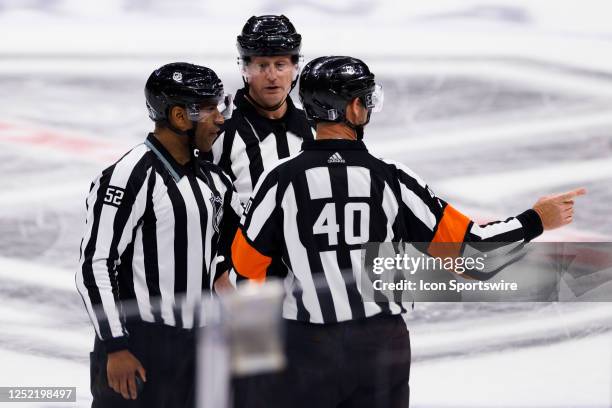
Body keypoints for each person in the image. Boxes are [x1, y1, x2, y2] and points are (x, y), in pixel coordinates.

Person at [230, 56, 586, 408]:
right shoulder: (390, 178)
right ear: (354, 109)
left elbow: (246, 268)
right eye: (365, 100)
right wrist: (537, 219)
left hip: (305, 347)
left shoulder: (279, 179)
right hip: (378, 348)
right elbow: (475, 255)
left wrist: (260, 354)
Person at [76, 62, 242, 408]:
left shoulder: (215, 180)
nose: (221, 119)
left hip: (197, 347)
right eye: (211, 109)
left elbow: (221, 252)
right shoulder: (130, 175)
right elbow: (96, 264)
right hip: (140, 344)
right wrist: (115, 346)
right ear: (181, 117)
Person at [205, 15, 314, 286]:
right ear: (245, 68)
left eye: (280, 64)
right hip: (243, 288)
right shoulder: (219, 130)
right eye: (262, 65)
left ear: (295, 68)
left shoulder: (314, 128)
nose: (272, 75)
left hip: (309, 287)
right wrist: (220, 279)